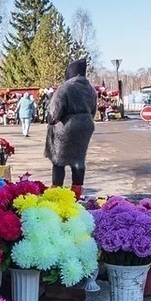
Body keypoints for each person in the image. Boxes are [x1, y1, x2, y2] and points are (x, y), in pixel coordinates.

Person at [45, 58, 97, 198]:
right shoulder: (91, 89)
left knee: (59, 160)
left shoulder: (66, 87)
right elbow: (94, 110)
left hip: (67, 127)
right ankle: (76, 193)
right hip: (86, 125)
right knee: (78, 160)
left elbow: (55, 111)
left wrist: (50, 120)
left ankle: (56, 193)